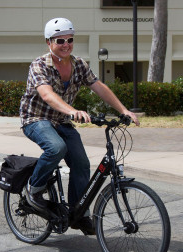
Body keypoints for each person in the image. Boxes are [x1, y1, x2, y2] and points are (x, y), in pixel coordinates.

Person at [20, 17, 139, 234]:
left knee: (82, 164)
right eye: (60, 40)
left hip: (62, 121)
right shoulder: (39, 65)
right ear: (49, 42)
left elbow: (98, 86)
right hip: (36, 119)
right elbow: (47, 95)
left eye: (69, 39)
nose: (66, 44)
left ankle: (78, 213)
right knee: (56, 148)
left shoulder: (79, 64)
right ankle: (33, 189)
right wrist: (73, 111)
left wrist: (123, 110)